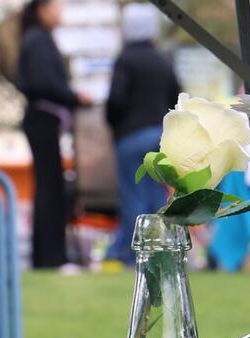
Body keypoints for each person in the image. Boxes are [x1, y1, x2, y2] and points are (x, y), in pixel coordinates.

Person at [104, 2, 180, 265]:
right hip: (159, 136)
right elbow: (177, 98)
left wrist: (114, 125)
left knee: (132, 197)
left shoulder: (125, 60)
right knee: (157, 196)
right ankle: (160, 252)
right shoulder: (163, 59)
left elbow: (115, 100)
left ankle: (132, 256)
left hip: (130, 137)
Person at [17, 0, 90, 270]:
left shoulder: (36, 39)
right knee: (50, 189)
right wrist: (74, 97)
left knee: (50, 187)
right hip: (43, 120)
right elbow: (44, 83)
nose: (60, 13)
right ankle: (51, 256)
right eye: (55, 7)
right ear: (41, 9)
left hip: (44, 120)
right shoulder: (37, 40)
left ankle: (48, 256)